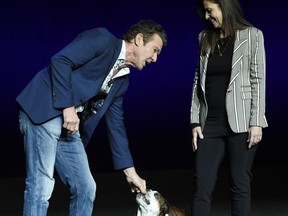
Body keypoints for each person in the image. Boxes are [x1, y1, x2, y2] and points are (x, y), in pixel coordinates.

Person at [16, 19, 167, 216]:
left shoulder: (122, 80)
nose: (155, 59)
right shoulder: (103, 39)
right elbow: (61, 60)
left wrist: (131, 174)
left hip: (68, 126)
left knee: (86, 187)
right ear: (139, 39)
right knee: (41, 184)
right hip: (45, 108)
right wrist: (68, 107)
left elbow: (116, 126)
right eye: (154, 50)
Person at [190, 0, 268, 215]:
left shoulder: (253, 35)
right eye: (205, 12)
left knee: (240, 184)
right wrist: (195, 121)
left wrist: (256, 122)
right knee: (202, 185)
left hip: (242, 122)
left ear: (224, 6)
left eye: (209, 11)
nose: (207, 16)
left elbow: (258, 80)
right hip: (210, 123)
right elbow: (199, 81)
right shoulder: (204, 38)